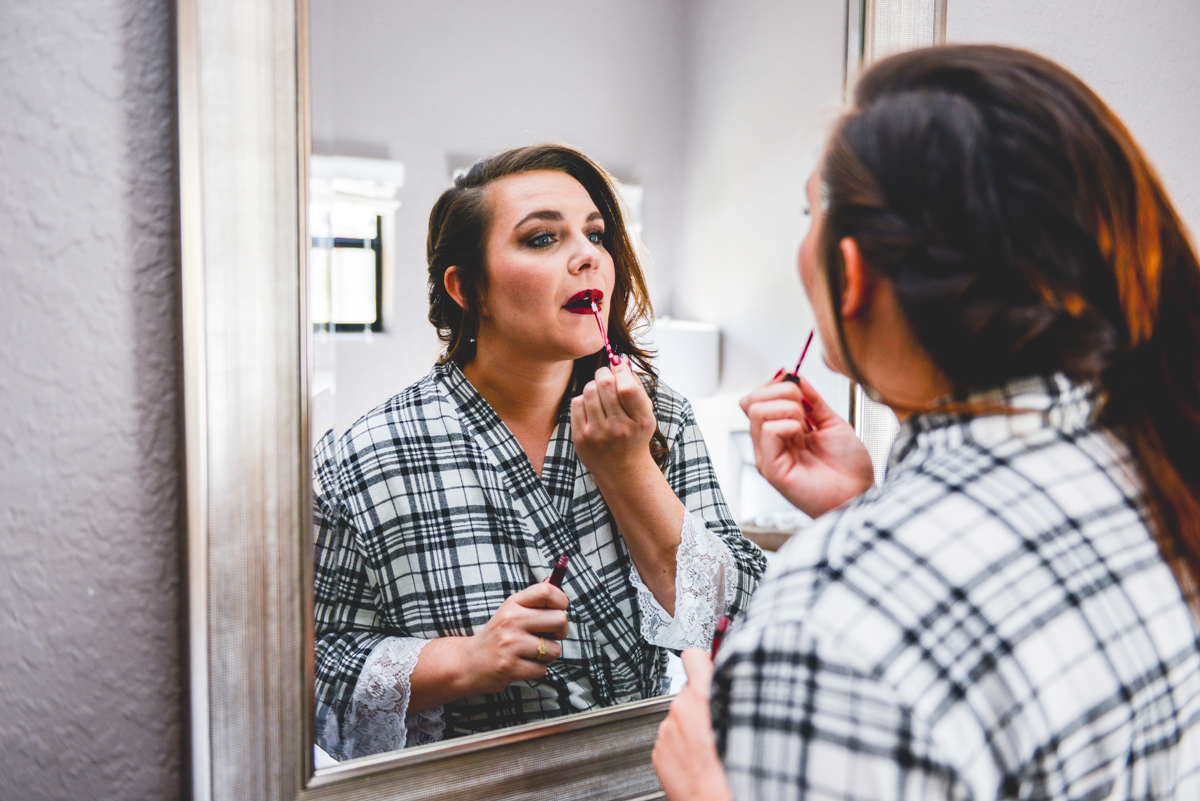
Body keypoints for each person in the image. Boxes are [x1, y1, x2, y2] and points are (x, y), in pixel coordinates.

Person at [653, 45, 1200, 800]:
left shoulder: (831, 615)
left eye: (811, 211)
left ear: (852, 274)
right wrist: (869, 506)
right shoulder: (1157, 456)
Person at [312, 144, 766, 760]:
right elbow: (309, 676)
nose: (588, 257)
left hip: (642, 775)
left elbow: (747, 622)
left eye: (597, 234)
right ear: (468, 287)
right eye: (542, 239)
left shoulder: (661, 421)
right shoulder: (364, 459)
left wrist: (631, 471)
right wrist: (467, 661)